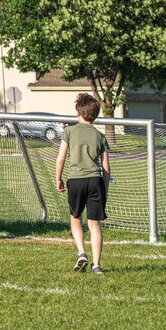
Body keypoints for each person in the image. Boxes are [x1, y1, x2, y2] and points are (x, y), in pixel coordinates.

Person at [55, 93, 110, 273]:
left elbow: (61, 158)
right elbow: (106, 167)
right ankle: (97, 265)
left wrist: (58, 178)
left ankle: (81, 253)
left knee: (75, 219)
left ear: (77, 112)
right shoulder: (101, 136)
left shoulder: (69, 131)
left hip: (76, 180)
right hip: (95, 181)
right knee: (94, 224)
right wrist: (105, 190)